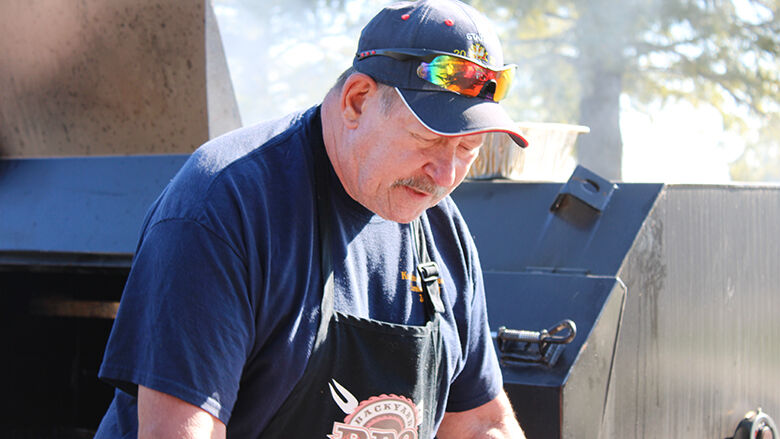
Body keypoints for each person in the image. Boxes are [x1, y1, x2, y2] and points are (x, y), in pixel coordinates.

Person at [95, 0, 529, 437]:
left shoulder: (441, 229)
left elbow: (479, 423)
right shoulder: (226, 206)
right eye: (428, 140)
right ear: (357, 101)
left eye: (467, 150)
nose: (446, 175)